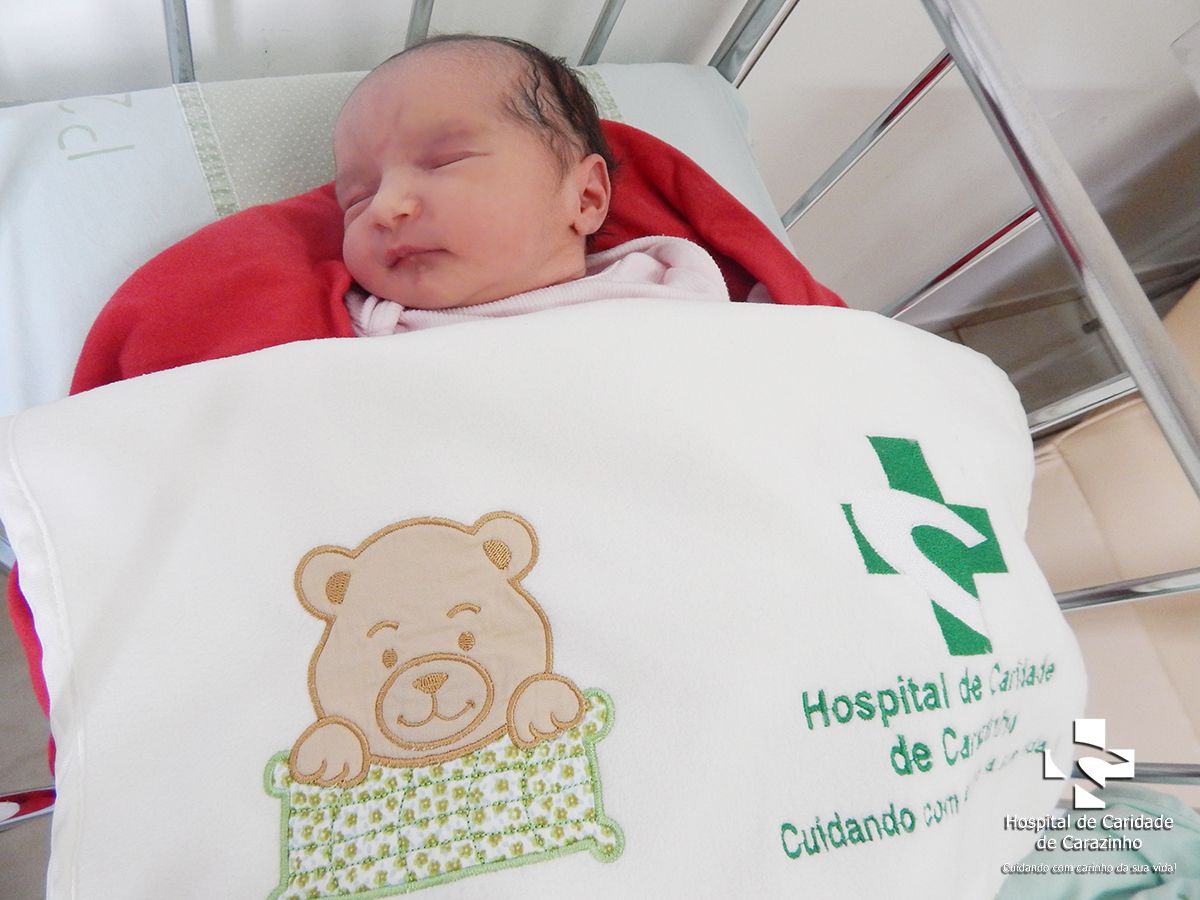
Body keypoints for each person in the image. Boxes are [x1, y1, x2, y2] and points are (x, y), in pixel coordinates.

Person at [332, 34, 729, 336]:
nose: (383, 207)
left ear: (585, 198)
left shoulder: (669, 284)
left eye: (444, 162)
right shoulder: (368, 329)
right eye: (356, 199)